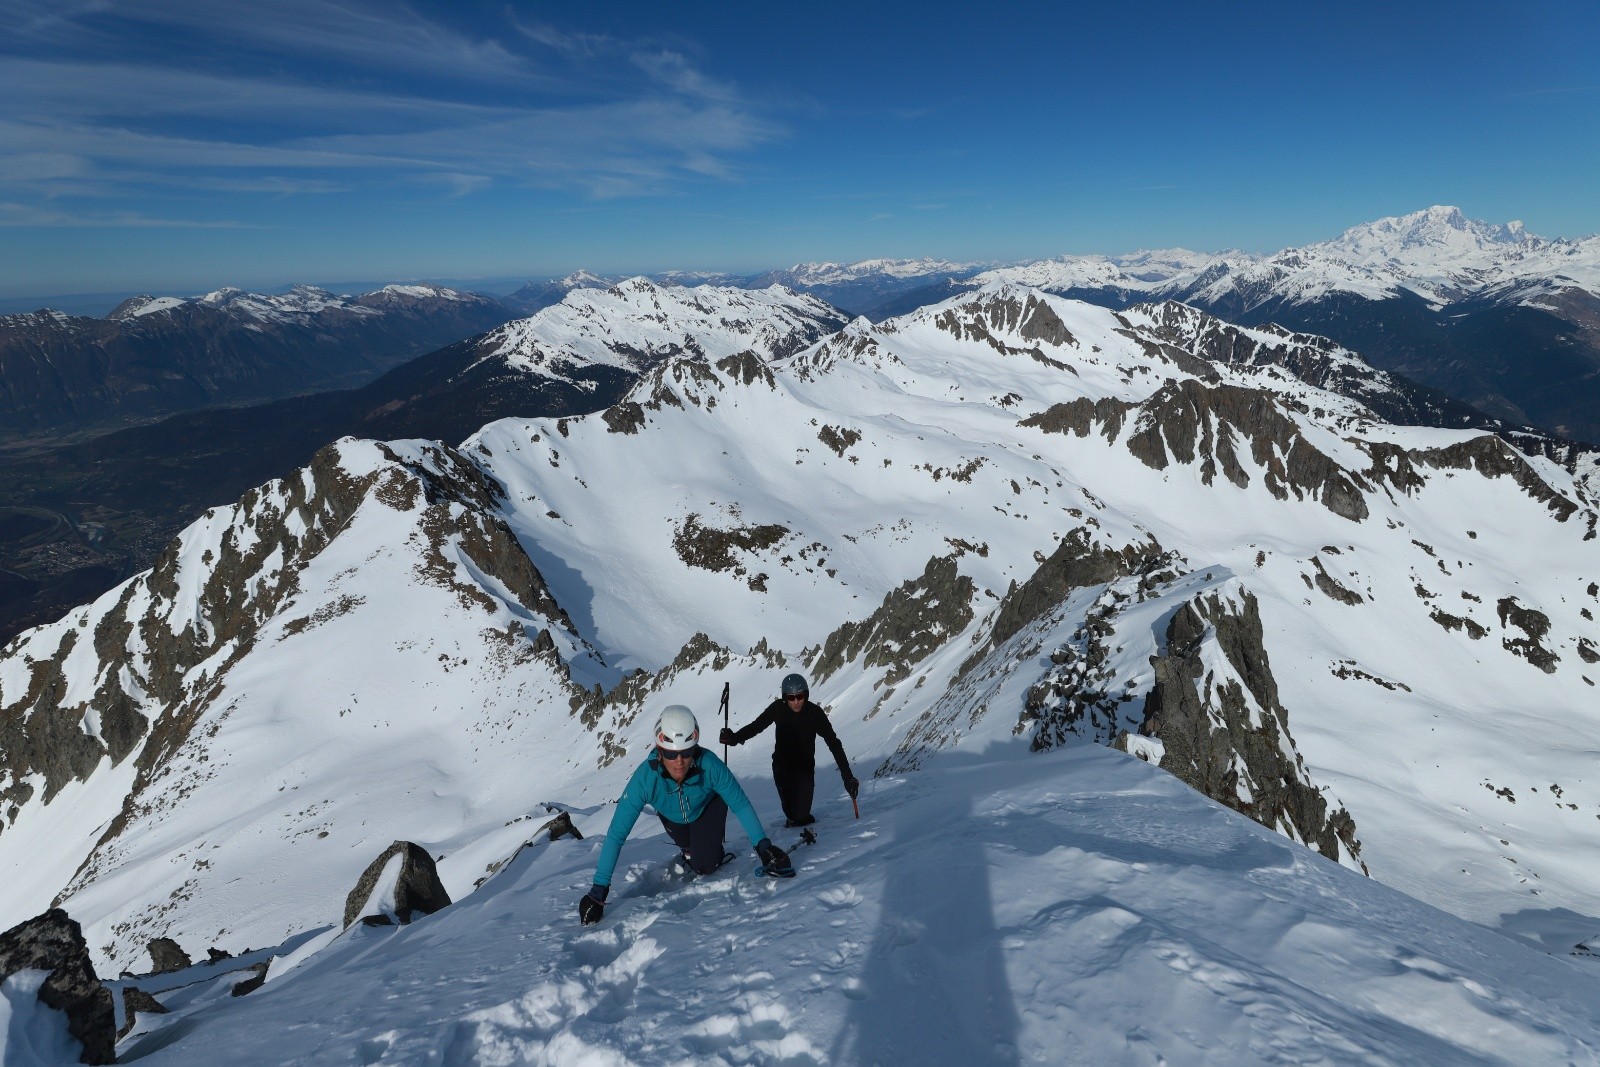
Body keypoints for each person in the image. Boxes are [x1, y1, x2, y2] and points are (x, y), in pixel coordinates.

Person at [579, 705, 792, 925]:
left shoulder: (709, 764)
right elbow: (616, 834)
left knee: (705, 866)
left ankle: (708, 851)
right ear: (660, 750)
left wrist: (764, 847)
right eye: (671, 754)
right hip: (673, 818)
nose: (679, 761)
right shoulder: (645, 779)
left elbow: (741, 805)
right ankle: (691, 848)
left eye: (687, 752)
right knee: (689, 847)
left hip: (707, 810)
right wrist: (598, 891)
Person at [720, 672, 858, 828]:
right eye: (791, 698)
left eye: (800, 696)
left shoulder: (815, 714)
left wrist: (848, 777)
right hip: (782, 767)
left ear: (806, 694)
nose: (797, 701)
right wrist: (734, 738)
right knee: (791, 813)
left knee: (801, 816)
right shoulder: (778, 708)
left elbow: (834, 744)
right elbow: (757, 726)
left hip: (805, 769)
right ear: (785, 698)